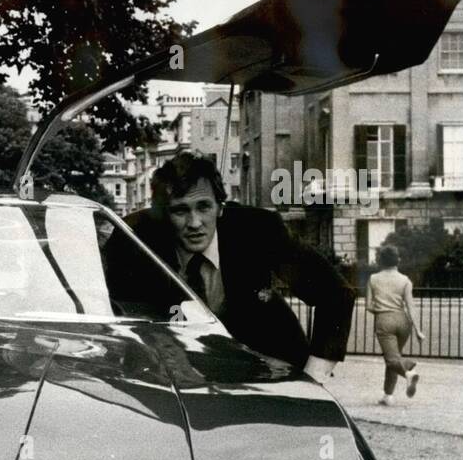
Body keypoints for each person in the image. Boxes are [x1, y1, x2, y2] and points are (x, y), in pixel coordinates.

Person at [117, 152, 355, 380]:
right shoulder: (135, 240)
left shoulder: (258, 230)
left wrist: (312, 378)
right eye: (180, 210)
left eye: (204, 207)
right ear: (164, 215)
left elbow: (335, 292)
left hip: (271, 367)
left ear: (221, 207)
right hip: (183, 379)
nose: (195, 223)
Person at [365, 245, 423, 405]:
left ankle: (409, 370)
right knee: (393, 357)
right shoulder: (405, 280)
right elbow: (411, 306)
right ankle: (388, 395)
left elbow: (368, 306)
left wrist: (381, 308)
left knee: (391, 359)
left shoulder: (373, 279)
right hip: (403, 321)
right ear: (398, 260)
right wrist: (418, 330)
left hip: (384, 320)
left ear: (380, 260)